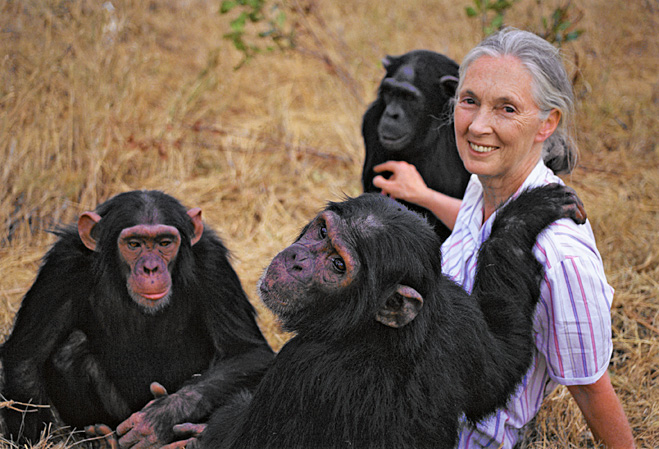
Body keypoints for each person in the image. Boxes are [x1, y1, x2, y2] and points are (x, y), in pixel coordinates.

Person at [372, 27, 635, 449]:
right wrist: (421, 195)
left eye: (506, 109)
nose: (477, 126)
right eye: (470, 101)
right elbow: (475, 229)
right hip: (409, 399)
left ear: (547, 123)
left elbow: (590, 387)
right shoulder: (485, 183)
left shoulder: (561, 257)